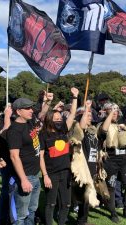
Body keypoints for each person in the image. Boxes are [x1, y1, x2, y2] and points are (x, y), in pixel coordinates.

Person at [39, 87, 79, 225]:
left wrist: (75, 97)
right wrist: (45, 175)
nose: (59, 120)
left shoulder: (63, 129)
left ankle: (62, 222)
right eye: (56, 119)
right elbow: (41, 156)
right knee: (51, 203)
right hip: (51, 174)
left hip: (66, 172)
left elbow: (73, 113)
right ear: (50, 120)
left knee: (66, 204)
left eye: (60, 118)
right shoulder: (43, 134)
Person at [98, 102, 126, 223]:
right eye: (111, 110)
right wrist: (109, 114)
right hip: (111, 160)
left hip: (124, 160)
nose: (114, 112)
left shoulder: (123, 123)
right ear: (105, 112)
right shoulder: (101, 124)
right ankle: (113, 213)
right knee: (111, 187)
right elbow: (103, 131)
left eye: (116, 110)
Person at [7, 98, 42, 225]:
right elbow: (14, 156)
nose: (31, 110)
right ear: (18, 111)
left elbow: (42, 112)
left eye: (31, 107)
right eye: (27, 108)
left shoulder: (29, 123)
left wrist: (47, 101)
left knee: (32, 211)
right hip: (25, 177)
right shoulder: (15, 130)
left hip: (35, 175)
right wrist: (23, 180)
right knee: (20, 215)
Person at [72, 100, 99, 225]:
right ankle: (81, 221)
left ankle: (83, 220)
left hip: (92, 167)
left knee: (87, 196)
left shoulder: (92, 130)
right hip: (83, 169)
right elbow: (81, 125)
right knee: (83, 197)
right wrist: (87, 108)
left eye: (91, 114)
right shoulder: (78, 130)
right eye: (88, 115)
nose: (91, 117)